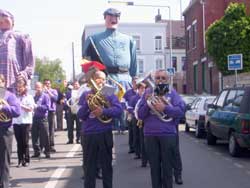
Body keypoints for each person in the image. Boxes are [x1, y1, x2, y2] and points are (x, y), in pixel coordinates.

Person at [137, 70, 185, 188]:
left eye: (163, 78)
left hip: (168, 134)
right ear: (154, 79)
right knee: (154, 168)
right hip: (150, 135)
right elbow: (140, 115)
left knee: (167, 167)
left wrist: (164, 108)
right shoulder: (148, 92)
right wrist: (148, 105)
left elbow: (180, 111)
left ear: (167, 80)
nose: (160, 80)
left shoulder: (172, 93)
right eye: (158, 78)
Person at [77, 70, 122, 188]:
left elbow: (118, 111)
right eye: (98, 78)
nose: (100, 81)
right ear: (93, 79)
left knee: (106, 166)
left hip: (104, 133)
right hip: (89, 134)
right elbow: (80, 115)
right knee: (89, 168)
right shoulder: (86, 94)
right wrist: (88, 103)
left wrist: (104, 111)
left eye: (103, 79)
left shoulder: (110, 93)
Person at [82, 7, 137, 90]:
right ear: (105, 18)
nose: (113, 18)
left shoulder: (129, 40)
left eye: (116, 16)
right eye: (110, 16)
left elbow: (133, 63)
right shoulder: (92, 39)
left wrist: (134, 79)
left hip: (126, 82)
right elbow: (86, 64)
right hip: (104, 82)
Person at [0, 9, 34, 91]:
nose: (2, 20)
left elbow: (30, 62)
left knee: (13, 102)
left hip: (14, 82)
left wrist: (24, 75)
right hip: (1, 82)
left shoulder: (21, 36)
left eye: (5, 17)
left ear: (12, 21)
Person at [0, 74, 21, 188]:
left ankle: (4, 184)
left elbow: (17, 111)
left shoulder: (10, 96)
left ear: (3, 83)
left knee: (4, 159)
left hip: (5, 130)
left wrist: (3, 107)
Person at [13, 79, 35, 167]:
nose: (19, 89)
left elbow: (30, 109)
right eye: (17, 87)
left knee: (25, 142)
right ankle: (20, 159)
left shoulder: (29, 97)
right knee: (19, 142)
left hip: (26, 121)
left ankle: (26, 159)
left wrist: (20, 105)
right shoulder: (14, 97)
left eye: (20, 87)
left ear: (25, 87)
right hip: (16, 121)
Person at [31, 82, 50, 158]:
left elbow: (47, 107)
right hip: (35, 118)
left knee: (45, 136)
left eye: (39, 87)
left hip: (43, 118)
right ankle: (37, 152)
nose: (37, 89)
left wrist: (38, 106)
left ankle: (47, 151)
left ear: (42, 88)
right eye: (36, 87)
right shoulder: (34, 97)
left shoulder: (45, 96)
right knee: (34, 136)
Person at [43, 79, 58, 152]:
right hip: (43, 111)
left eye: (48, 83)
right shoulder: (42, 92)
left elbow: (55, 99)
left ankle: (51, 145)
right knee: (44, 130)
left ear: (50, 84)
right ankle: (44, 145)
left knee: (51, 129)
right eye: (45, 83)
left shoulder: (53, 91)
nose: (47, 85)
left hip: (51, 111)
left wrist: (48, 91)